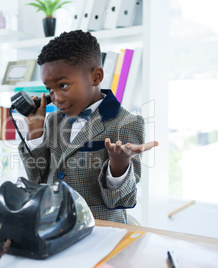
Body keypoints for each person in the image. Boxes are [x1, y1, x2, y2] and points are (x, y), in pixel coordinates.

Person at [18, 30, 158, 223]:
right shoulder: (52, 121)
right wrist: (35, 131)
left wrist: (119, 166)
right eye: (49, 89)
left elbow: (121, 200)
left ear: (96, 77)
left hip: (101, 232)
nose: (56, 98)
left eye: (63, 85)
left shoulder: (127, 123)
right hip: (53, 224)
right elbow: (37, 180)